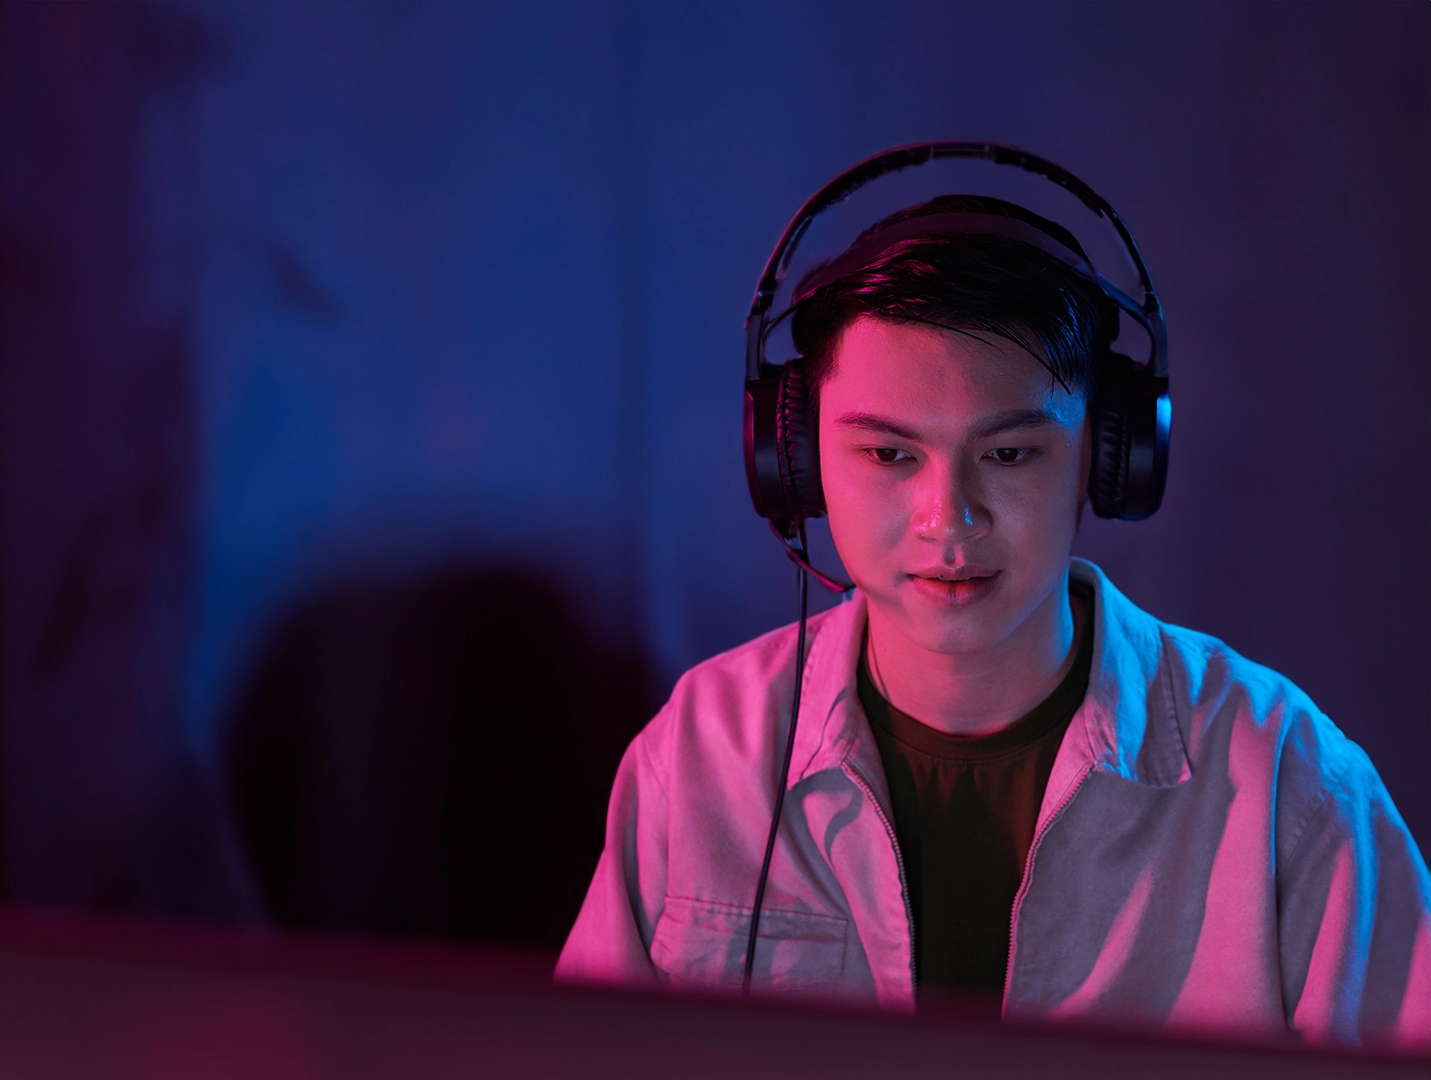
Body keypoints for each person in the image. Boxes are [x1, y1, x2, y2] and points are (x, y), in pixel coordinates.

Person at [554, 186, 1431, 1050]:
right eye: (889, 453)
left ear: (1107, 456)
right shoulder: (701, 755)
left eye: (1009, 453)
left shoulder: (1287, 781)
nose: (949, 517)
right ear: (795, 460)